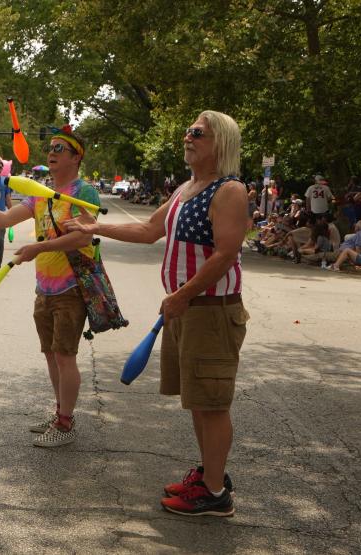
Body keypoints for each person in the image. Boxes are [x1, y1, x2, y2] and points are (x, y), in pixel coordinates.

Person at [67, 110, 248, 517]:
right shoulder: (187, 188)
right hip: (187, 308)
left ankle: (215, 494)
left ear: (219, 142)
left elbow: (225, 254)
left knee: (213, 402)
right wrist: (94, 229)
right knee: (198, 400)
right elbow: (149, 230)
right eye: (187, 130)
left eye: (197, 132)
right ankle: (209, 475)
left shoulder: (229, 191)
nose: (188, 137)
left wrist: (182, 294)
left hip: (211, 310)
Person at [0, 124, 99, 448]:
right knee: (50, 354)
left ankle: (65, 425)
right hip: (44, 288)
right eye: (51, 149)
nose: (52, 153)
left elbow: (84, 236)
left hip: (71, 288)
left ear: (77, 157)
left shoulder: (83, 193)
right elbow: (4, 220)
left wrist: (37, 249)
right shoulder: (39, 195)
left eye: (60, 149)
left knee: (64, 355)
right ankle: (61, 412)